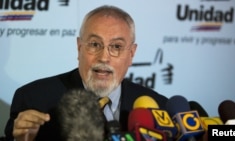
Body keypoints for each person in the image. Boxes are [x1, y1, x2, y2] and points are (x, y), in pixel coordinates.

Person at [4, 5, 168, 141]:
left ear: (131, 54)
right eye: (95, 44)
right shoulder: (35, 99)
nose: (104, 57)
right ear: (79, 47)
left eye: (116, 47)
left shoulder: (159, 108)